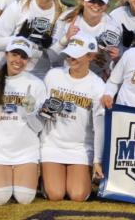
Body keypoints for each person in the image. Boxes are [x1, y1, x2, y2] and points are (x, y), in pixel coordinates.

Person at [0, 37, 49, 205]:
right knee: (0, 199)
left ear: (28, 60)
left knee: (25, 199)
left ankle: (29, 174)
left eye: (23, 56)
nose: (18, 60)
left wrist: (29, 113)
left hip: (26, 152)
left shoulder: (36, 84)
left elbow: (39, 127)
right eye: (14, 54)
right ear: (6, 55)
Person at [40, 33, 106, 201]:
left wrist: (97, 160)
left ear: (90, 56)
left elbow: (99, 126)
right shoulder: (53, 75)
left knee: (78, 195)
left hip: (81, 148)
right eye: (69, 53)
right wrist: (44, 111)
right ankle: (43, 176)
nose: (70, 57)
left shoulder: (98, 85)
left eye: (77, 54)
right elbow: (39, 113)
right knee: (55, 194)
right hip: (52, 144)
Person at [0, 0, 67, 80]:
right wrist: (18, 40)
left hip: (42, 76)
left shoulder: (63, 15)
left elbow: (58, 58)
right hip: (12, 73)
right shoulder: (19, 6)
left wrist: (47, 48)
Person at [51, 0, 121, 80]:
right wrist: (65, 38)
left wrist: (116, 58)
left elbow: (109, 66)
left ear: (106, 5)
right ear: (83, 1)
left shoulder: (113, 28)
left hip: (95, 79)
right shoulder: (67, 18)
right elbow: (51, 57)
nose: (96, 5)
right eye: (92, 1)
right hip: (66, 74)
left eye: (100, 2)